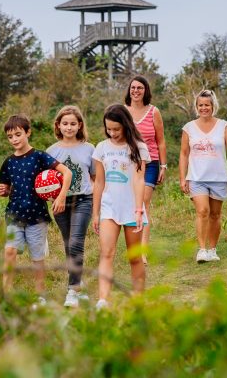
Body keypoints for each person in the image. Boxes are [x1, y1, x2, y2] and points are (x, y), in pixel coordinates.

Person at [0, 114, 72, 306]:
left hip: (37, 216)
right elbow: (5, 188)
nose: (14, 139)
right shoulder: (8, 162)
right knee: (10, 251)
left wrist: (61, 195)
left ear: (28, 132)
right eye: (10, 136)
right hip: (14, 214)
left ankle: (40, 295)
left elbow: (67, 172)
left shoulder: (39, 156)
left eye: (18, 134)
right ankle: (6, 292)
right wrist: (4, 191)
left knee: (37, 258)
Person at [92, 104, 150, 310]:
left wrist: (138, 209)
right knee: (106, 253)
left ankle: (138, 300)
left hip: (132, 208)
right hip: (109, 208)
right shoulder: (101, 148)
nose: (113, 133)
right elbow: (99, 182)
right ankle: (103, 299)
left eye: (117, 129)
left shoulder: (139, 148)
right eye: (109, 129)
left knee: (134, 257)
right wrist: (96, 213)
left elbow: (139, 180)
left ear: (126, 125)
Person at [178, 90, 227, 263]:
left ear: (213, 106)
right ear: (196, 106)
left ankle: (213, 250)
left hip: (219, 177)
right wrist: (183, 178)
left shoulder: (224, 126)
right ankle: (202, 250)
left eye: (207, 105)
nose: (204, 108)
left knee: (215, 214)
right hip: (196, 177)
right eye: (200, 105)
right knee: (203, 211)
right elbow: (184, 154)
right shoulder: (188, 128)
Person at [46, 105, 96, 308]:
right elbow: (46, 181)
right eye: (65, 123)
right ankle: (79, 282)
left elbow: (94, 177)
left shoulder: (89, 149)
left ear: (80, 125)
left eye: (73, 124)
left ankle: (72, 291)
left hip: (84, 199)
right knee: (68, 245)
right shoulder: (51, 151)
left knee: (76, 243)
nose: (69, 127)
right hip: (60, 202)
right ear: (58, 125)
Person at [125, 75, 167, 266]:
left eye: (140, 88)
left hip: (150, 163)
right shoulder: (122, 111)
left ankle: (142, 252)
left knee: (143, 205)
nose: (136, 91)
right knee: (130, 205)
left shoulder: (153, 112)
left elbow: (161, 141)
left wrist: (163, 166)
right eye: (133, 88)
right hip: (127, 163)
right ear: (129, 90)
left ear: (145, 90)